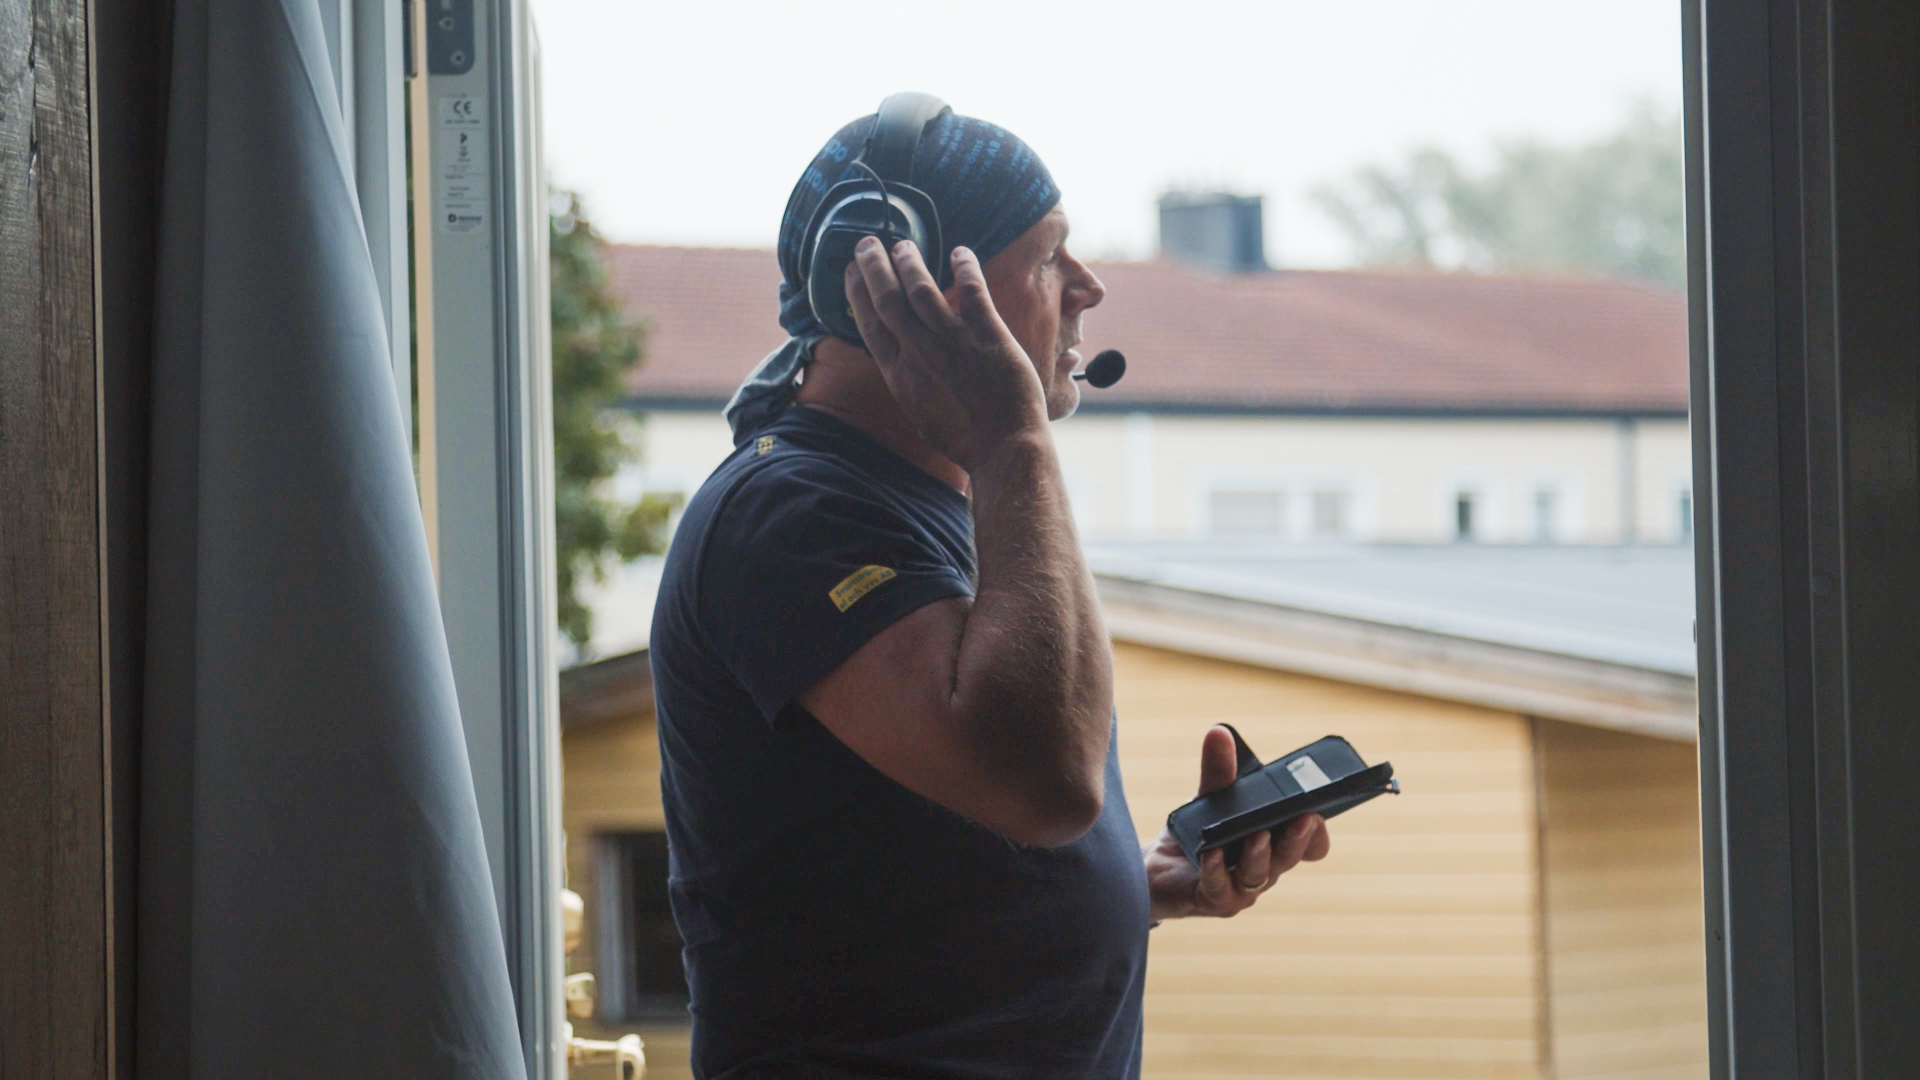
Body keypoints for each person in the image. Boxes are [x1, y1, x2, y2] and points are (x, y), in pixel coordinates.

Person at [648, 103, 1333, 1080]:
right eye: (1049, 256)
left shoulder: (929, 507)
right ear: (907, 284)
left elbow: (898, 870)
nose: (1089, 285)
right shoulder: (790, 516)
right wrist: (1013, 438)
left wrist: (1129, 888)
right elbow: (1043, 783)